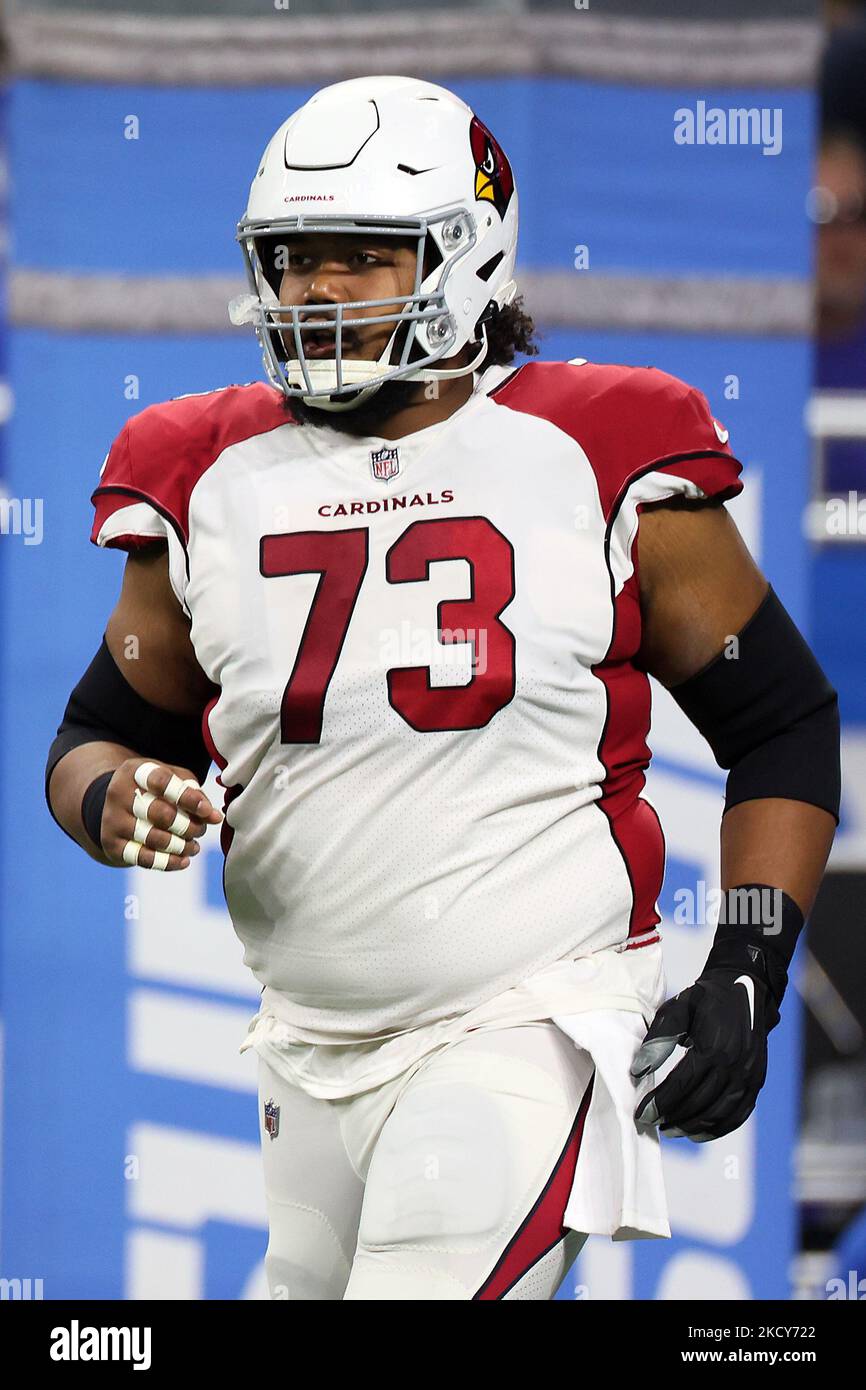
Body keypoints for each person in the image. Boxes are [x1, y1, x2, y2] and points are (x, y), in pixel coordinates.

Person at [45, 76, 840, 1301]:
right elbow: (96, 735)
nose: (313, 290)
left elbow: (777, 718)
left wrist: (745, 963)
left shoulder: (598, 442)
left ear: (467, 257)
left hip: (529, 1016)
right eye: (293, 258)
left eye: (359, 256)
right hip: (304, 1050)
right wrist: (117, 800)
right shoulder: (201, 466)